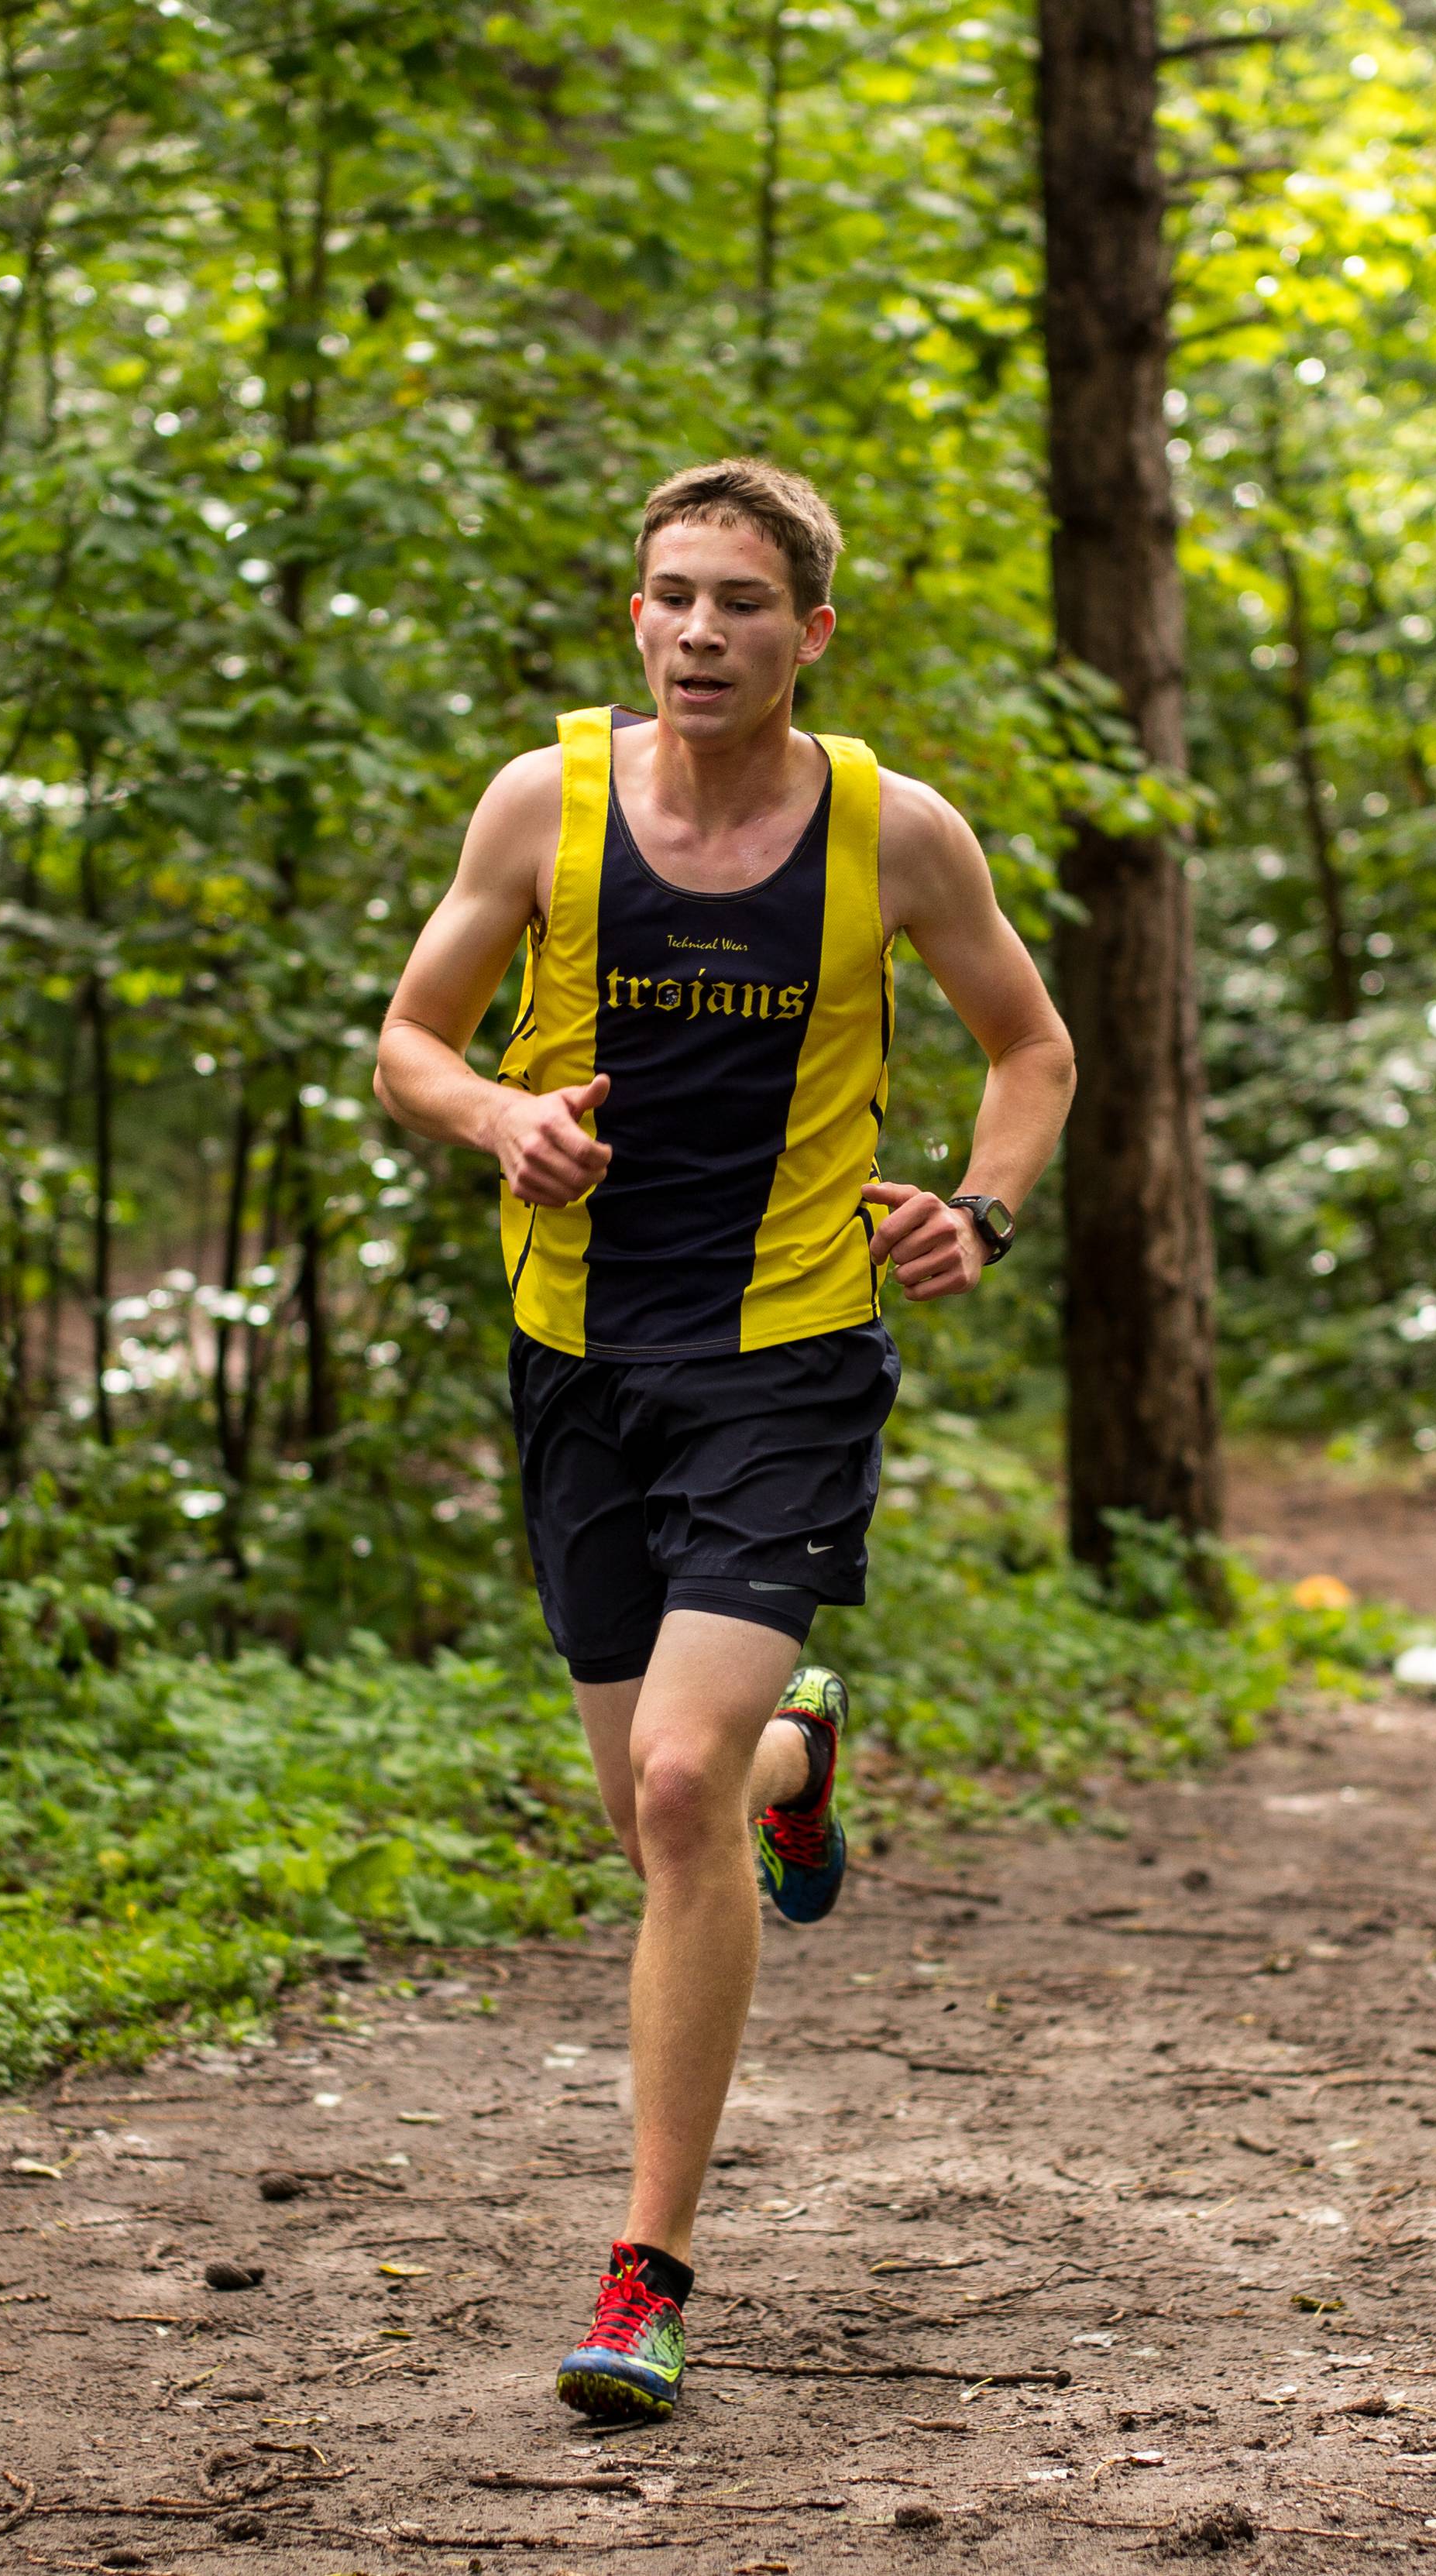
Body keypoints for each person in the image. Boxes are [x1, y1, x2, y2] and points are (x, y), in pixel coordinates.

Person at [371, 457, 1077, 2423]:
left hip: (786, 1355)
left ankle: (644, 2272)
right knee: (661, 1800)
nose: (702, 631)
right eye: (673, 597)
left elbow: (1033, 1048)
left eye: (744, 604)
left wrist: (982, 1206)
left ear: (811, 634)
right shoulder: (546, 804)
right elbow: (410, 1039)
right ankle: (798, 1753)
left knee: (670, 1800)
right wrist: (495, 1117)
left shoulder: (892, 833)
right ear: (636, 621)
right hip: (578, 1353)